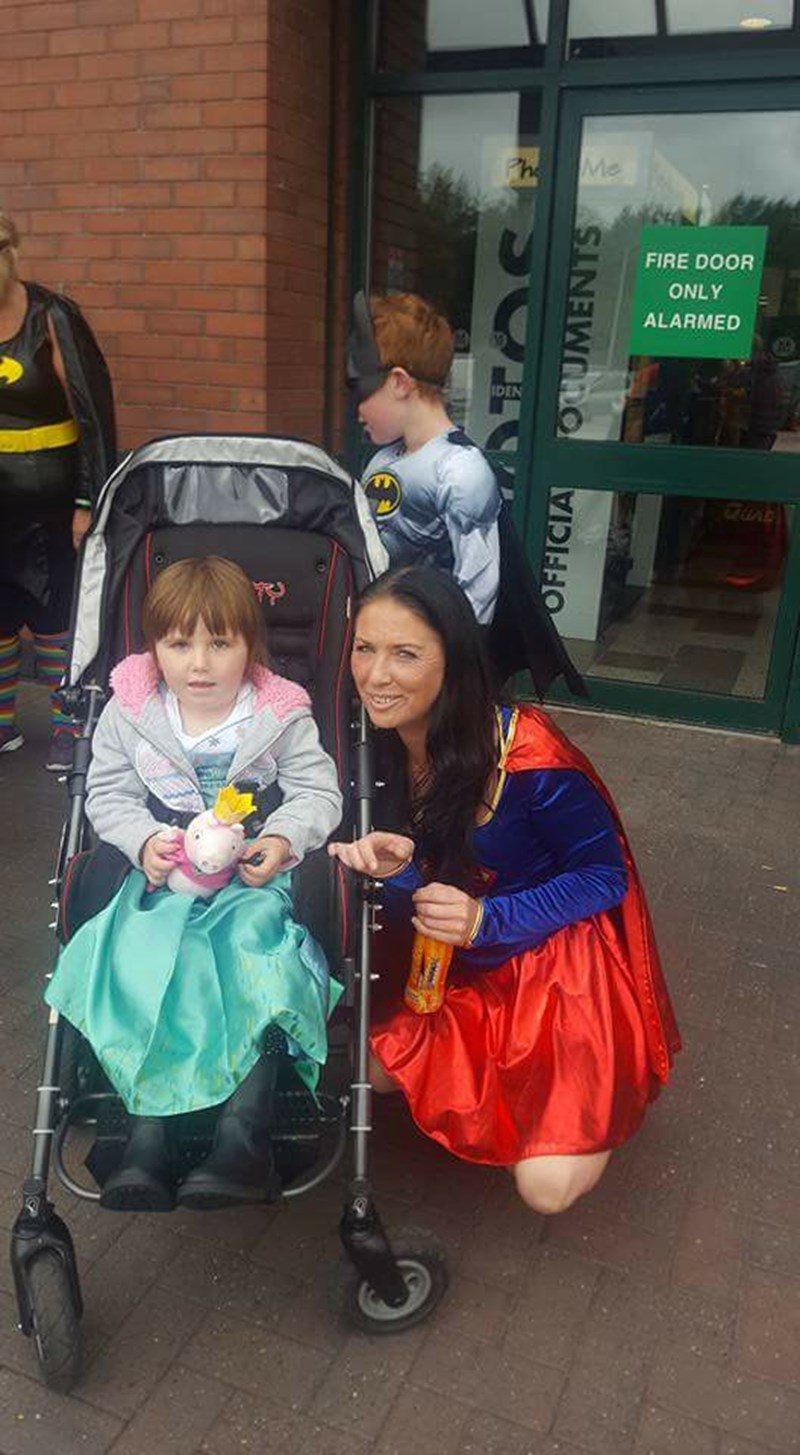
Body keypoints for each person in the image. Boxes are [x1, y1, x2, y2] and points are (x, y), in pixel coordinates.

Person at [328, 567, 680, 1215]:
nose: (376, 675)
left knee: (547, 1189)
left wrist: (487, 920)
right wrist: (398, 872)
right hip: (456, 963)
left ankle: (594, 1091)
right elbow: (437, 885)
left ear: (454, 660)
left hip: (556, 970)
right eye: (364, 648)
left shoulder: (526, 752)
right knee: (372, 1070)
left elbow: (604, 875)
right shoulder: (369, 741)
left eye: (405, 654)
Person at [46, 556, 343, 1212]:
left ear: (250, 647)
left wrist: (282, 838)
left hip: (251, 879)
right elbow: (108, 793)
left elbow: (318, 791)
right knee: (144, 955)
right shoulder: (133, 712)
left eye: (220, 643)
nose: (199, 664)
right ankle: (147, 1132)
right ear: (154, 648)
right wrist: (142, 841)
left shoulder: (278, 715)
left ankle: (243, 1131)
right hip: (163, 881)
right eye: (180, 644)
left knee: (254, 948)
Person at [347, 290, 585, 699]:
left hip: (439, 663)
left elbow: (478, 590)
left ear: (399, 382)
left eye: (361, 390)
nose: (357, 410)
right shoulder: (381, 462)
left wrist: (451, 676)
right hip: (386, 650)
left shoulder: (460, 469)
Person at [0, 210, 116, 770]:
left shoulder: (52, 317)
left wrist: (87, 502)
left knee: (55, 616)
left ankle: (69, 726)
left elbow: (92, 414)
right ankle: (2, 723)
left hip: (52, 499)